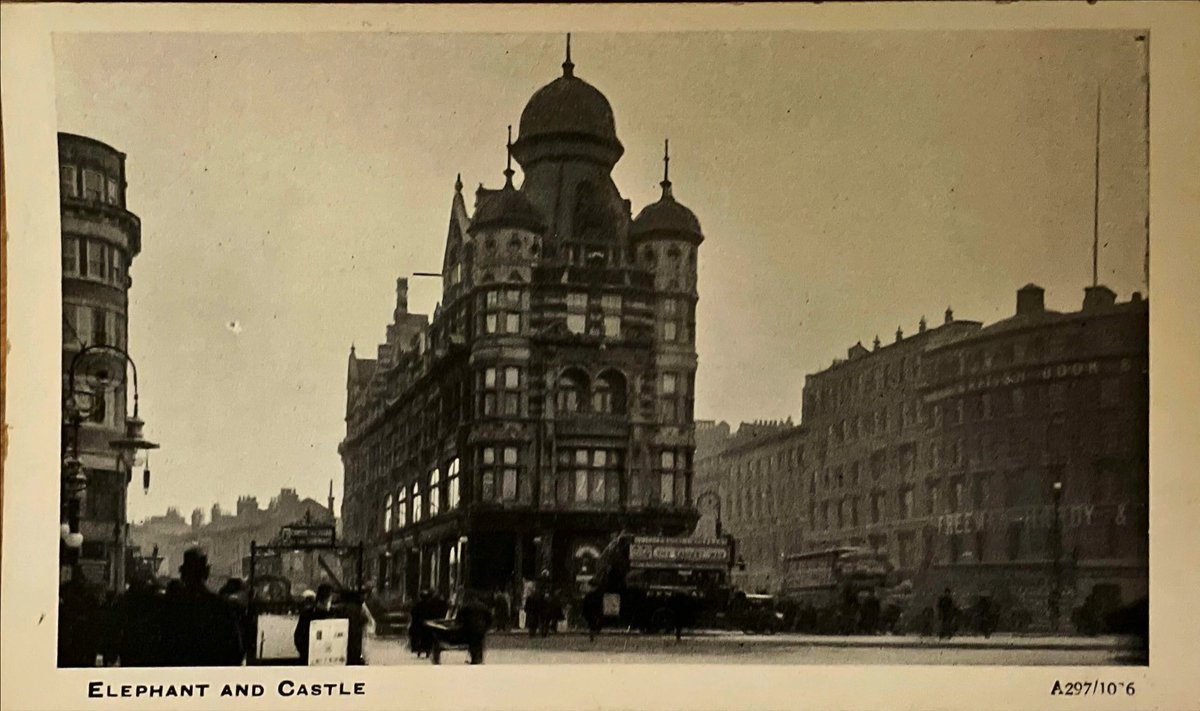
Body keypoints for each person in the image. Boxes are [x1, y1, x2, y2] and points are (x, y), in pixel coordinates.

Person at [163, 549, 245, 666]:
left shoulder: (171, 607)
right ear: (206, 572)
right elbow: (235, 650)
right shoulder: (221, 606)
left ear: (183, 574)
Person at [110, 569, 166, 666]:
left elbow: (117, 624)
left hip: (130, 643)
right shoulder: (149, 600)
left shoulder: (126, 600)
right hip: (145, 645)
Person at [294, 583, 336, 664]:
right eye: (328, 599)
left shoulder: (335, 613)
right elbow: (299, 638)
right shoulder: (307, 615)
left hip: (331, 660)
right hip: (310, 660)